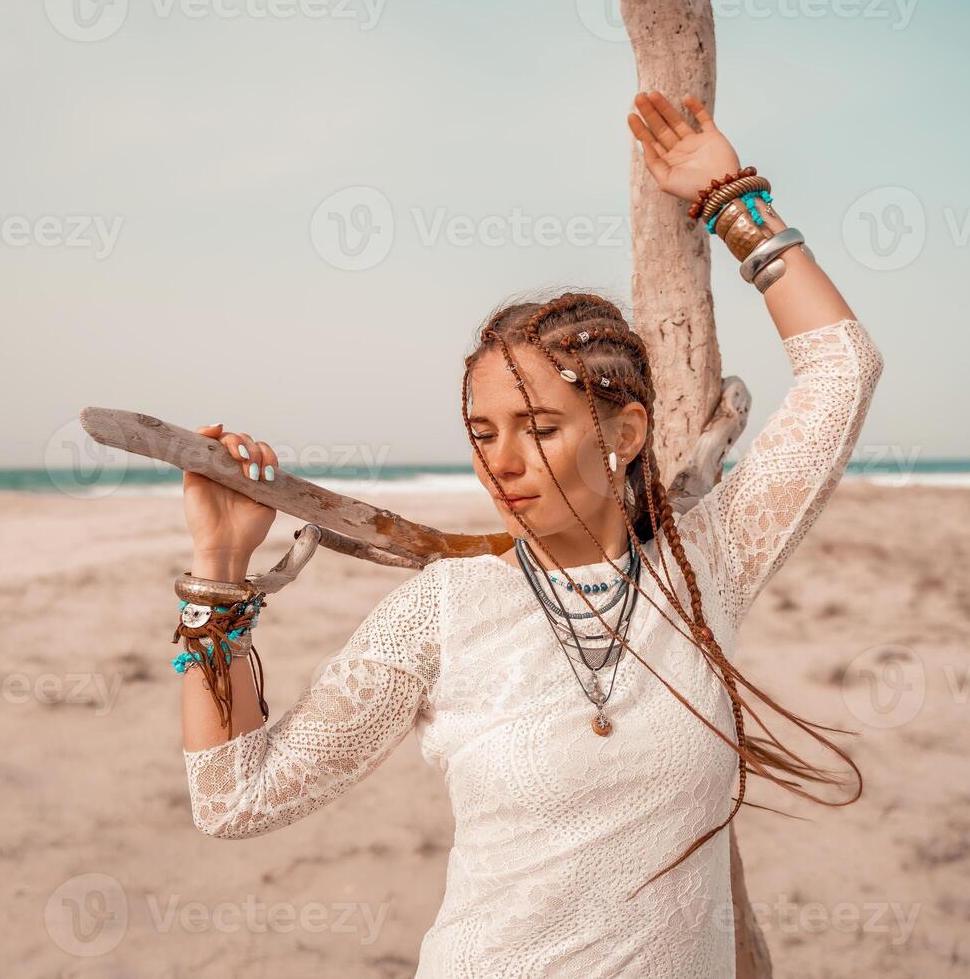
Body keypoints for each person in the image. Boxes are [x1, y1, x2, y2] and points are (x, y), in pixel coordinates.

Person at [174, 90, 885, 977]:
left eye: (541, 428)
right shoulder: (441, 612)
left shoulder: (708, 565)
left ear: (623, 436)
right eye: (483, 433)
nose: (503, 462)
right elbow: (237, 800)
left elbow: (841, 372)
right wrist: (219, 572)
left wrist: (731, 201)